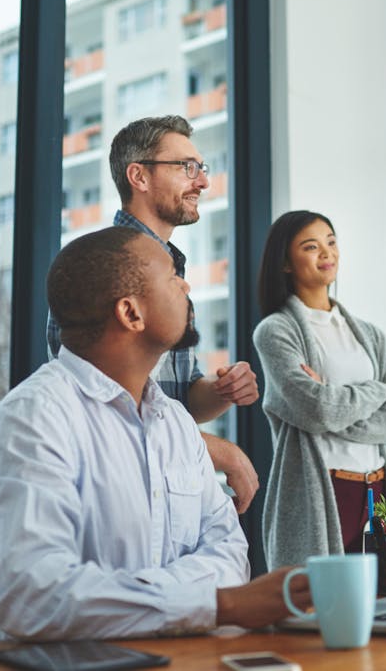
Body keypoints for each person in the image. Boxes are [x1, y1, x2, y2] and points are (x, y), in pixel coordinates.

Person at [0, 227, 310, 643]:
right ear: (131, 314)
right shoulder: (33, 419)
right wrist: (219, 605)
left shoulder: (176, 422)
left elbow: (230, 553)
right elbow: (33, 597)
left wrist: (134, 599)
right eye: (171, 277)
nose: (185, 285)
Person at [47, 115, 260, 514]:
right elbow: (102, 410)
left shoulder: (173, 273)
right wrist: (217, 451)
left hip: (169, 487)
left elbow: (181, 399)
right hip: (119, 496)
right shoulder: (98, 268)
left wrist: (220, 391)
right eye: (187, 167)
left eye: (202, 168)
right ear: (139, 177)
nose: (202, 182)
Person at [253, 210, 386, 569]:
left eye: (331, 241)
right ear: (285, 263)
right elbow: (318, 410)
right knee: (322, 610)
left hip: (380, 488)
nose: (327, 253)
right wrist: (379, 391)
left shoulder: (370, 334)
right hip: (325, 490)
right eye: (311, 246)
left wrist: (335, 401)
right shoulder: (276, 331)